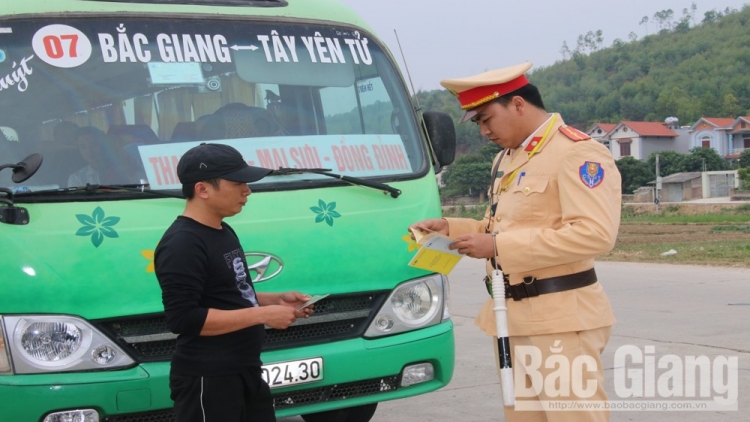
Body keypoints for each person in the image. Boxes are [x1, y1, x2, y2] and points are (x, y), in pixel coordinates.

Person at [410, 62, 621, 422]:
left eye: (487, 119)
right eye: (477, 123)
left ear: (519, 105)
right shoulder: (507, 158)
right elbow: (502, 225)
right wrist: (450, 227)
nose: (484, 130)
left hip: (560, 319)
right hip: (512, 315)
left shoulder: (576, 152)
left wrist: (498, 248)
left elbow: (595, 234)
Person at [154, 143, 313, 422]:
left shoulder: (222, 229)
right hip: (209, 378)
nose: (247, 190)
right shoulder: (182, 243)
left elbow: (230, 292)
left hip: (245, 370)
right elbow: (184, 318)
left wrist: (276, 300)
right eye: (238, 183)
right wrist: (264, 315)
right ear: (202, 189)